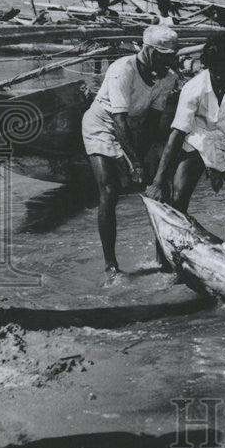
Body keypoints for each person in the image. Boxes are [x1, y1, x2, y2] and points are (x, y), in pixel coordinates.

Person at [146, 35, 225, 268]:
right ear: (207, 66)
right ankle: (166, 260)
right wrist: (159, 178)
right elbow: (177, 133)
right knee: (178, 200)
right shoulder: (194, 87)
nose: (220, 75)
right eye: (215, 70)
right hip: (198, 143)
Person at [82, 25, 179, 281]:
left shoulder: (168, 78)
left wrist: (142, 163)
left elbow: (152, 121)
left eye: (171, 56)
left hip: (133, 128)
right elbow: (118, 121)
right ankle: (111, 266)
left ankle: (164, 258)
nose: (167, 62)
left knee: (159, 190)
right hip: (102, 125)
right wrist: (134, 163)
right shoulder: (122, 69)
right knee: (110, 190)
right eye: (162, 55)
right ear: (147, 50)